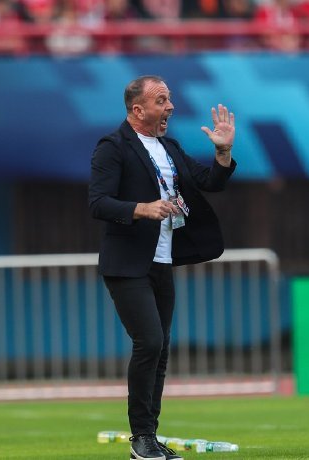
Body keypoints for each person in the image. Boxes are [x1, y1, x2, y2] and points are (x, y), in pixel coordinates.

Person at [88, 75, 236, 460]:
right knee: (150, 342)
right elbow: (98, 202)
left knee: (161, 350)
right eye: (161, 100)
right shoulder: (113, 146)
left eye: (169, 99)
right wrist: (142, 208)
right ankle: (140, 438)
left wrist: (223, 152)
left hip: (163, 260)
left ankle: (150, 438)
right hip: (127, 263)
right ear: (138, 110)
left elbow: (209, 182)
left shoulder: (169, 146)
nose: (170, 106)